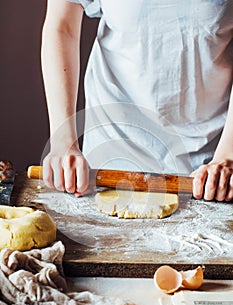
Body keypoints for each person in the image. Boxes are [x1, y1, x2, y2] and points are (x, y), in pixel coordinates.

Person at [41, 0, 233, 202]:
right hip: (111, 156)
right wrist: (63, 141)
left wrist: (228, 153)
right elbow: (63, 27)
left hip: (213, 165)